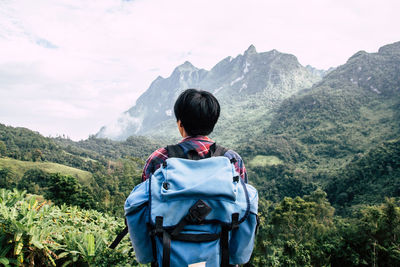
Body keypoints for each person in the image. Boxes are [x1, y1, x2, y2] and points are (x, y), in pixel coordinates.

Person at [141, 88, 248, 184]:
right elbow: (243, 201)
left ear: (180, 123)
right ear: (213, 122)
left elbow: (146, 200)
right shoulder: (232, 159)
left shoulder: (160, 157)